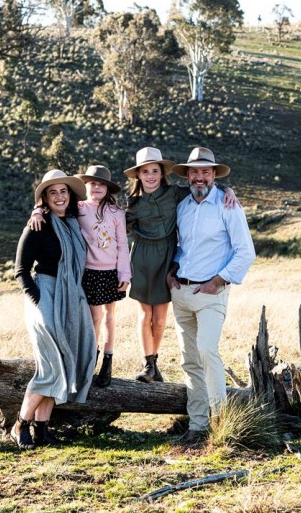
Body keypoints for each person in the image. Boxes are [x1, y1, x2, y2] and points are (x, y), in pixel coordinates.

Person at [124, 147, 238, 384]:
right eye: (145, 172)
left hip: (167, 258)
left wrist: (229, 189)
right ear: (138, 175)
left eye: (155, 171)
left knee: (161, 318)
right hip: (142, 258)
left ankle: (155, 362)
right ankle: (149, 364)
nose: (151, 176)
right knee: (145, 314)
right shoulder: (132, 203)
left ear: (162, 173)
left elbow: (205, 188)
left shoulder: (175, 194)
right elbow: (114, 226)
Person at [166, 147, 256, 445]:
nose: (199, 176)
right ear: (188, 175)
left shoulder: (228, 205)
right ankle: (197, 426)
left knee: (207, 351)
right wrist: (173, 269)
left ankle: (222, 424)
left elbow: (246, 251)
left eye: (206, 171)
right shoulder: (183, 206)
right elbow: (183, 246)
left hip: (211, 292)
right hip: (181, 292)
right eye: (194, 171)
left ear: (214, 175)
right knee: (189, 360)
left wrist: (218, 281)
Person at [12, 169, 96, 450]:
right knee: (50, 365)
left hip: (70, 295)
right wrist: (39, 301)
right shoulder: (37, 226)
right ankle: (20, 424)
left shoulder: (73, 223)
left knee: (61, 362)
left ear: (69, 195)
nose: (59, 197)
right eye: (53, 192)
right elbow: (21, 271)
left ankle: (42, 430)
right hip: (46, 293)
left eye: (63, 191)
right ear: (45, 199)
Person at [30, 165, 131, 388]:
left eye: (101, 184)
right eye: (92, 183)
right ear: (85, 186)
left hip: (111, 271)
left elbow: (123, 244)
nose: (96, 187)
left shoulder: (116, 213)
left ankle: (107, 357)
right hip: (88, 271)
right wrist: (36, 212)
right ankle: (90, 357)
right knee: (94, 317)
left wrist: (125, 272)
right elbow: (49, 207)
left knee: (110, 315)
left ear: (108, 189)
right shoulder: (78, 208)